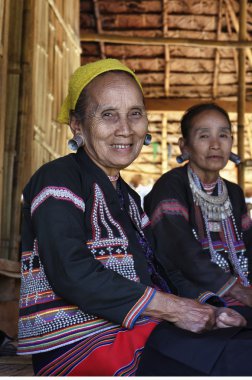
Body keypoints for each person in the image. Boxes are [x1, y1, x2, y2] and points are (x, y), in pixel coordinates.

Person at [17, 62, 249, 376]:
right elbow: (70, 270)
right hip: (81, 343)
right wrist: (173, 308)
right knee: (237, 358)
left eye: (135, 113)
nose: (125, 129)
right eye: (108, 114)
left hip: (139, 327)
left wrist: (211, 308)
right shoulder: (58, 177)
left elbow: (163, 268)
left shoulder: (128, 197)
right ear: (77, 125)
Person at [145, 103, 252, 318]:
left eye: (223, 135)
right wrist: (236, 290)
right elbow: (180, 252)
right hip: (189, 294)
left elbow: (249, 244)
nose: (215, 145)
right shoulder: (171, 187)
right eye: (204, 136)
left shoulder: (234, 192)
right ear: (184, 146)